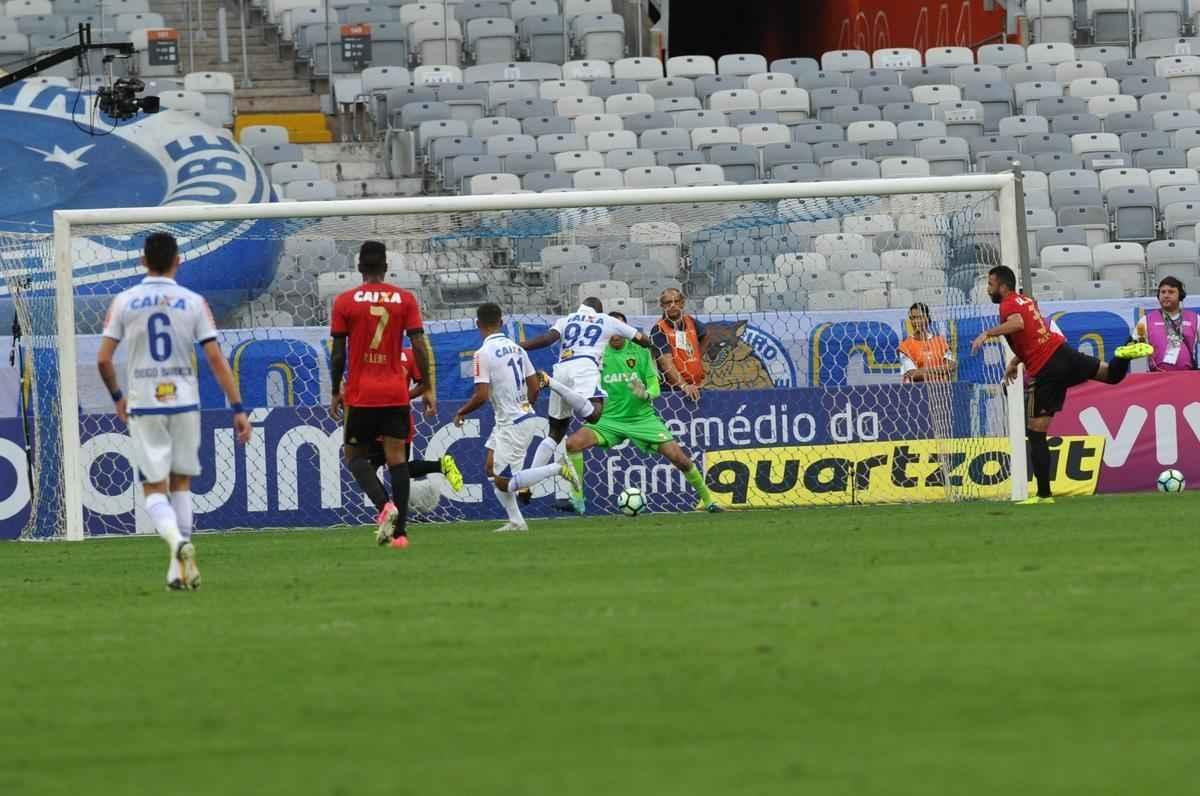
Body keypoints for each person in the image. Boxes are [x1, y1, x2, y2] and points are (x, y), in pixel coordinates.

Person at [96, 232, 252, 590]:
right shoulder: (194, 302)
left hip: (145, 402)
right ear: (178, 260)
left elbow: (103, 360)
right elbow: (215, 359)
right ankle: (179, 567)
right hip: (183, 401)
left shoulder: (124, 301)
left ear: (142, 261)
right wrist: (238, 407)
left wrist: (119, 396)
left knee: (154, 487)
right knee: (181, 482)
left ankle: (177, 545)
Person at [970, 265, 1152, 505]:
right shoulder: (1025, 300)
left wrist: (987, 334)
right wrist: (1015, 361)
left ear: (1003, 287)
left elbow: (1017, 325)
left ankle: (1044, 495)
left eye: (991, 284)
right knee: (1111, 375)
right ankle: (1126, 348)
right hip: (1063, 353)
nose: (988, 289)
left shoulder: (1008, 305)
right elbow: (1033, 336)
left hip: (1047, 370)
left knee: (1035, 433)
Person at [329, 241, 435, 548]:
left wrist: (336, 389)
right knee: (397, 459)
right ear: (386, 267)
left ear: (360, 267)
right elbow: (418, 345)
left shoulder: (345, 301)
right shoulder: (404, 299)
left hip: (361, 394)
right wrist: (426, 385)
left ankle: (384, 507)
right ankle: (400, 533)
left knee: (355, 457)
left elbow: (338, 353)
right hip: (395, 392)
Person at [563, 311, 720, 513]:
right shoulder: (596, 352)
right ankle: (577, 499)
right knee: (572, 444)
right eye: (612, 328)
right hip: (608, 419)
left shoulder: (640, 350)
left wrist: (646, 394)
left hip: (641, 419)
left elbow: (654, 384)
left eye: (620, 328)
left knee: (679, 458)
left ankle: (709, 501)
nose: (616, 333)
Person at [454, 303, 582, 533]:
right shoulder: (517, 349)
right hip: (518, 418)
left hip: (512, 423)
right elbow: (535, 386)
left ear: (477, 324)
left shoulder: (481, 354)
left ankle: (557, 468)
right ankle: (516, 521)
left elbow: (482, 395)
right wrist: (525, 407)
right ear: (501, 322)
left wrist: (462, 412)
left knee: (503, 479)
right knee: (490, 468)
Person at [519, 297, 652, 514]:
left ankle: (526, 483)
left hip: (562, 367)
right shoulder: (606, 320)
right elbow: (640, 339)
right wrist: (650, 345)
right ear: (600, 309)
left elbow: (546, 339)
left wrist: (521, 346)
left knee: (555, 433)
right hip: (585, 367)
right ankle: (549, 382)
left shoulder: (566, 319)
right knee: (595, 415)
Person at [366, 343, 463, 492]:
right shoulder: (404, 355)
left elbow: (424, 383)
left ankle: (386, 508)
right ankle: (441, 465)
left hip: (385, 419)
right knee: (400, 469)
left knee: (371, 469)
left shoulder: (378, 356)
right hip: (395, 419)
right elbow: (425, 383)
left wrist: (405, 396)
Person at [649, 288, 705, 400]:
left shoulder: (691, 321)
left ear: (683, 303)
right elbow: (666, 365)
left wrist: (698, 357)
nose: (672, 305)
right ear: (662, 306)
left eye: (676, 301)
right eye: (668, 302)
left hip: (696, 386)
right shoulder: (659, 330)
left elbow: (706, 335)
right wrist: (685, 386)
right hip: (673, 391)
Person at [1135, 276, 1198, 372]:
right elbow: (1137, 354)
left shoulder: (1195, 319)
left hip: (1188, 377)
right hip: (1157, 379)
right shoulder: (1146, 320)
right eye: (1163, 292)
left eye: (1171, 292)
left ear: (1180, 295)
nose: (1166, 295)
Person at [898, 302, 956, 383]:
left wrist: (924, 370)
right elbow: (912, 374)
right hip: (918, 391)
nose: (917, 321)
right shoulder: (904, 346)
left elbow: (951, 366)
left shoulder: (941, 342)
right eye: (913, 318)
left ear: (928, 319)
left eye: (920, 317)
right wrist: (941, 371)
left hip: (941, 391)